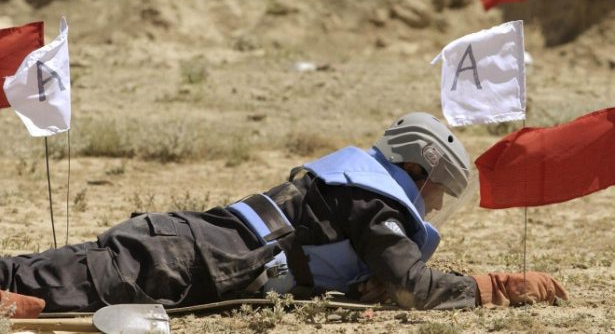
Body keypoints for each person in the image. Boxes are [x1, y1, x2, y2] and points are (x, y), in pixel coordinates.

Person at [0, 112, 567, 318]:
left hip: (178, 249)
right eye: (438, 189)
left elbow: (354, 271)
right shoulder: (373, 201)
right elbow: (411, 287)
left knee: (27, 275)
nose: (437, 204)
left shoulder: (355, 188)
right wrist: (493, 287)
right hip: (176, 259)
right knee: (39, 286)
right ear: (416, 169)